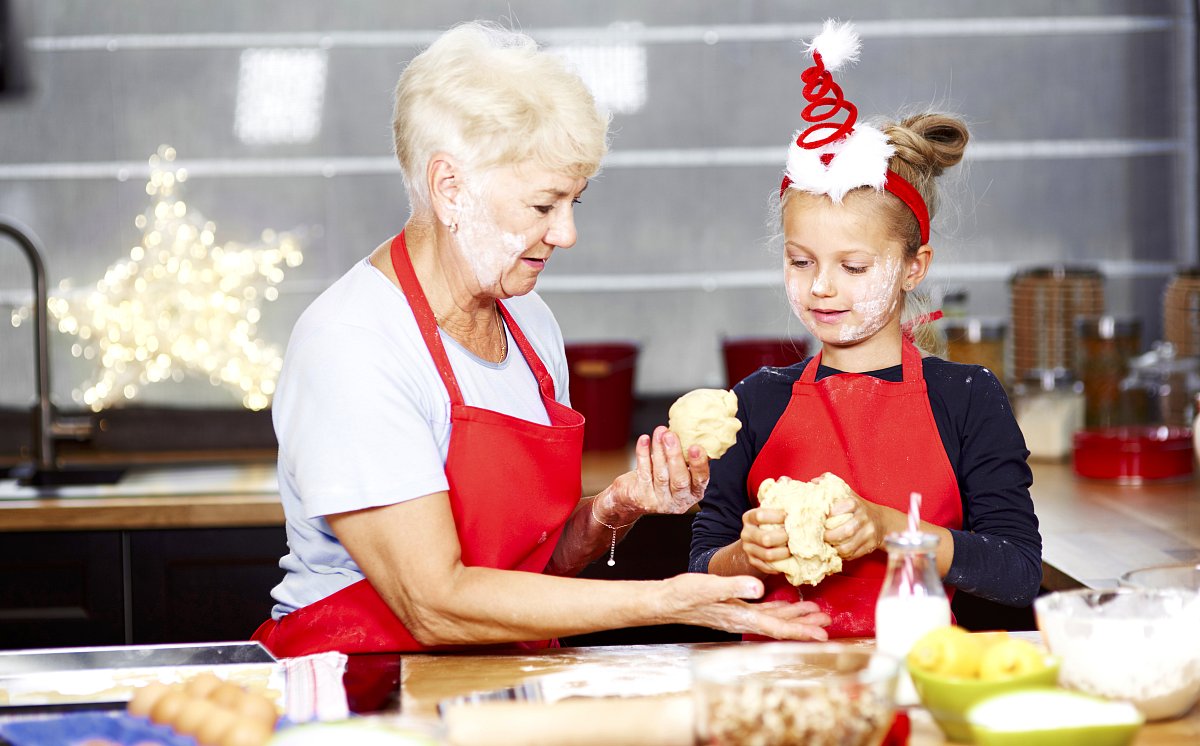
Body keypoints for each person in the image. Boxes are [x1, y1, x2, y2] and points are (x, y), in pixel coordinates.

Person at [252, 21, 831, 656]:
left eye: (574, 201)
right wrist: (666, 598)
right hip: (366, 689)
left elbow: (531, 571)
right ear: (451, 188)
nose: (567, 233)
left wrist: (618, 505)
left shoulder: (528, 323)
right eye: (543, 205)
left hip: (504, 676)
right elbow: (432, 604)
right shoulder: (354, 345)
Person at [689, 21, 1041, 638]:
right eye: (801, 262)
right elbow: (701, 562)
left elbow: (1017, 572)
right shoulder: (755, 401)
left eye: (853, 267)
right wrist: (748, 554)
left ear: (913, 268)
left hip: (917, 669)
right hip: (779, 684)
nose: (821, 286)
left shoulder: (965, 398)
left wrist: (887, 530)